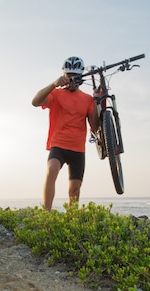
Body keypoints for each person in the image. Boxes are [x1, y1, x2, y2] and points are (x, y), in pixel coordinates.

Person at [32, 56, 99, 210]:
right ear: (64, 75)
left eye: (75, 77)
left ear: (81, 78)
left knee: (74, 190)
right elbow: (35, 102)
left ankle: (71, 221)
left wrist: (96, 101)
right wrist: (54, 84)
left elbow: (94, 127)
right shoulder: (56, 94)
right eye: (69, 76)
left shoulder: (87, 99)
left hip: (78, 149)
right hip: (59, 144)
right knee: (52, 169)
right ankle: (46, 215)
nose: (72, 80)